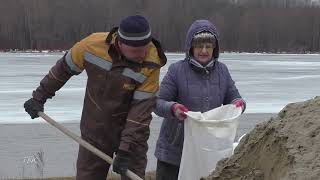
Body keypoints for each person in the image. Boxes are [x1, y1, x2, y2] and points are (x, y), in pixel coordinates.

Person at [23, 15, 167, 180]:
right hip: (95, 131)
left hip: (133, 136)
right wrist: (39, 97)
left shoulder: (152, 62)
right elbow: (63, 69)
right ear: (120, 42)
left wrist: (126, 150)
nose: (143, 55)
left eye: (145, 48)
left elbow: (140, 113)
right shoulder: (91, 45)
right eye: (136, 51)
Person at [154, 19, 246, 180]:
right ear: (191, 47)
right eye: (199, 46)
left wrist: (238, 104)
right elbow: (157, 102)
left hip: (207, 151)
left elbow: (233, 97)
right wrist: (173, 108)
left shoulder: (222, 71)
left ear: (214, 49)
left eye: (208, 46)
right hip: (174, 152)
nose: (204, 51)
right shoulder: (176, 71)